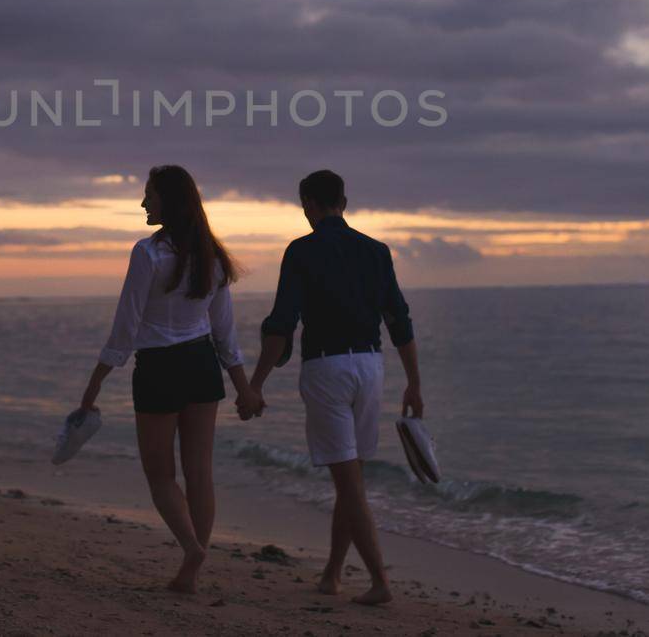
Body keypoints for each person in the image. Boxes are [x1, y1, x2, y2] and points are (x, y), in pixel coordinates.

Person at [242, 169, 421, 607]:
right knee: (351, 476)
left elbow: (282, 324)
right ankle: (332, 574)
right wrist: (414, 382)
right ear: (345, 200)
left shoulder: (301, 252)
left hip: (328, 370)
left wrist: (256, 384)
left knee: (349, 482)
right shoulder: (376, 251)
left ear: (308, 203)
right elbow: (398, 319)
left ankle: (379, 581)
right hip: (371, 366)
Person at [78, 164, 260, 594]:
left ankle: (191, 550)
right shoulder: (211, 255)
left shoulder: (147, 253)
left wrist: (94, 385)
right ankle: (192, 569)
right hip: (201, 365)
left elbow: (126, 327)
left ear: (168, 201)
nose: (143, 203)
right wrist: (243, 387)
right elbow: (224, 332)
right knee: (200, 472)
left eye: (149, 195)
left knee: (160, 477)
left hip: (160, 367)